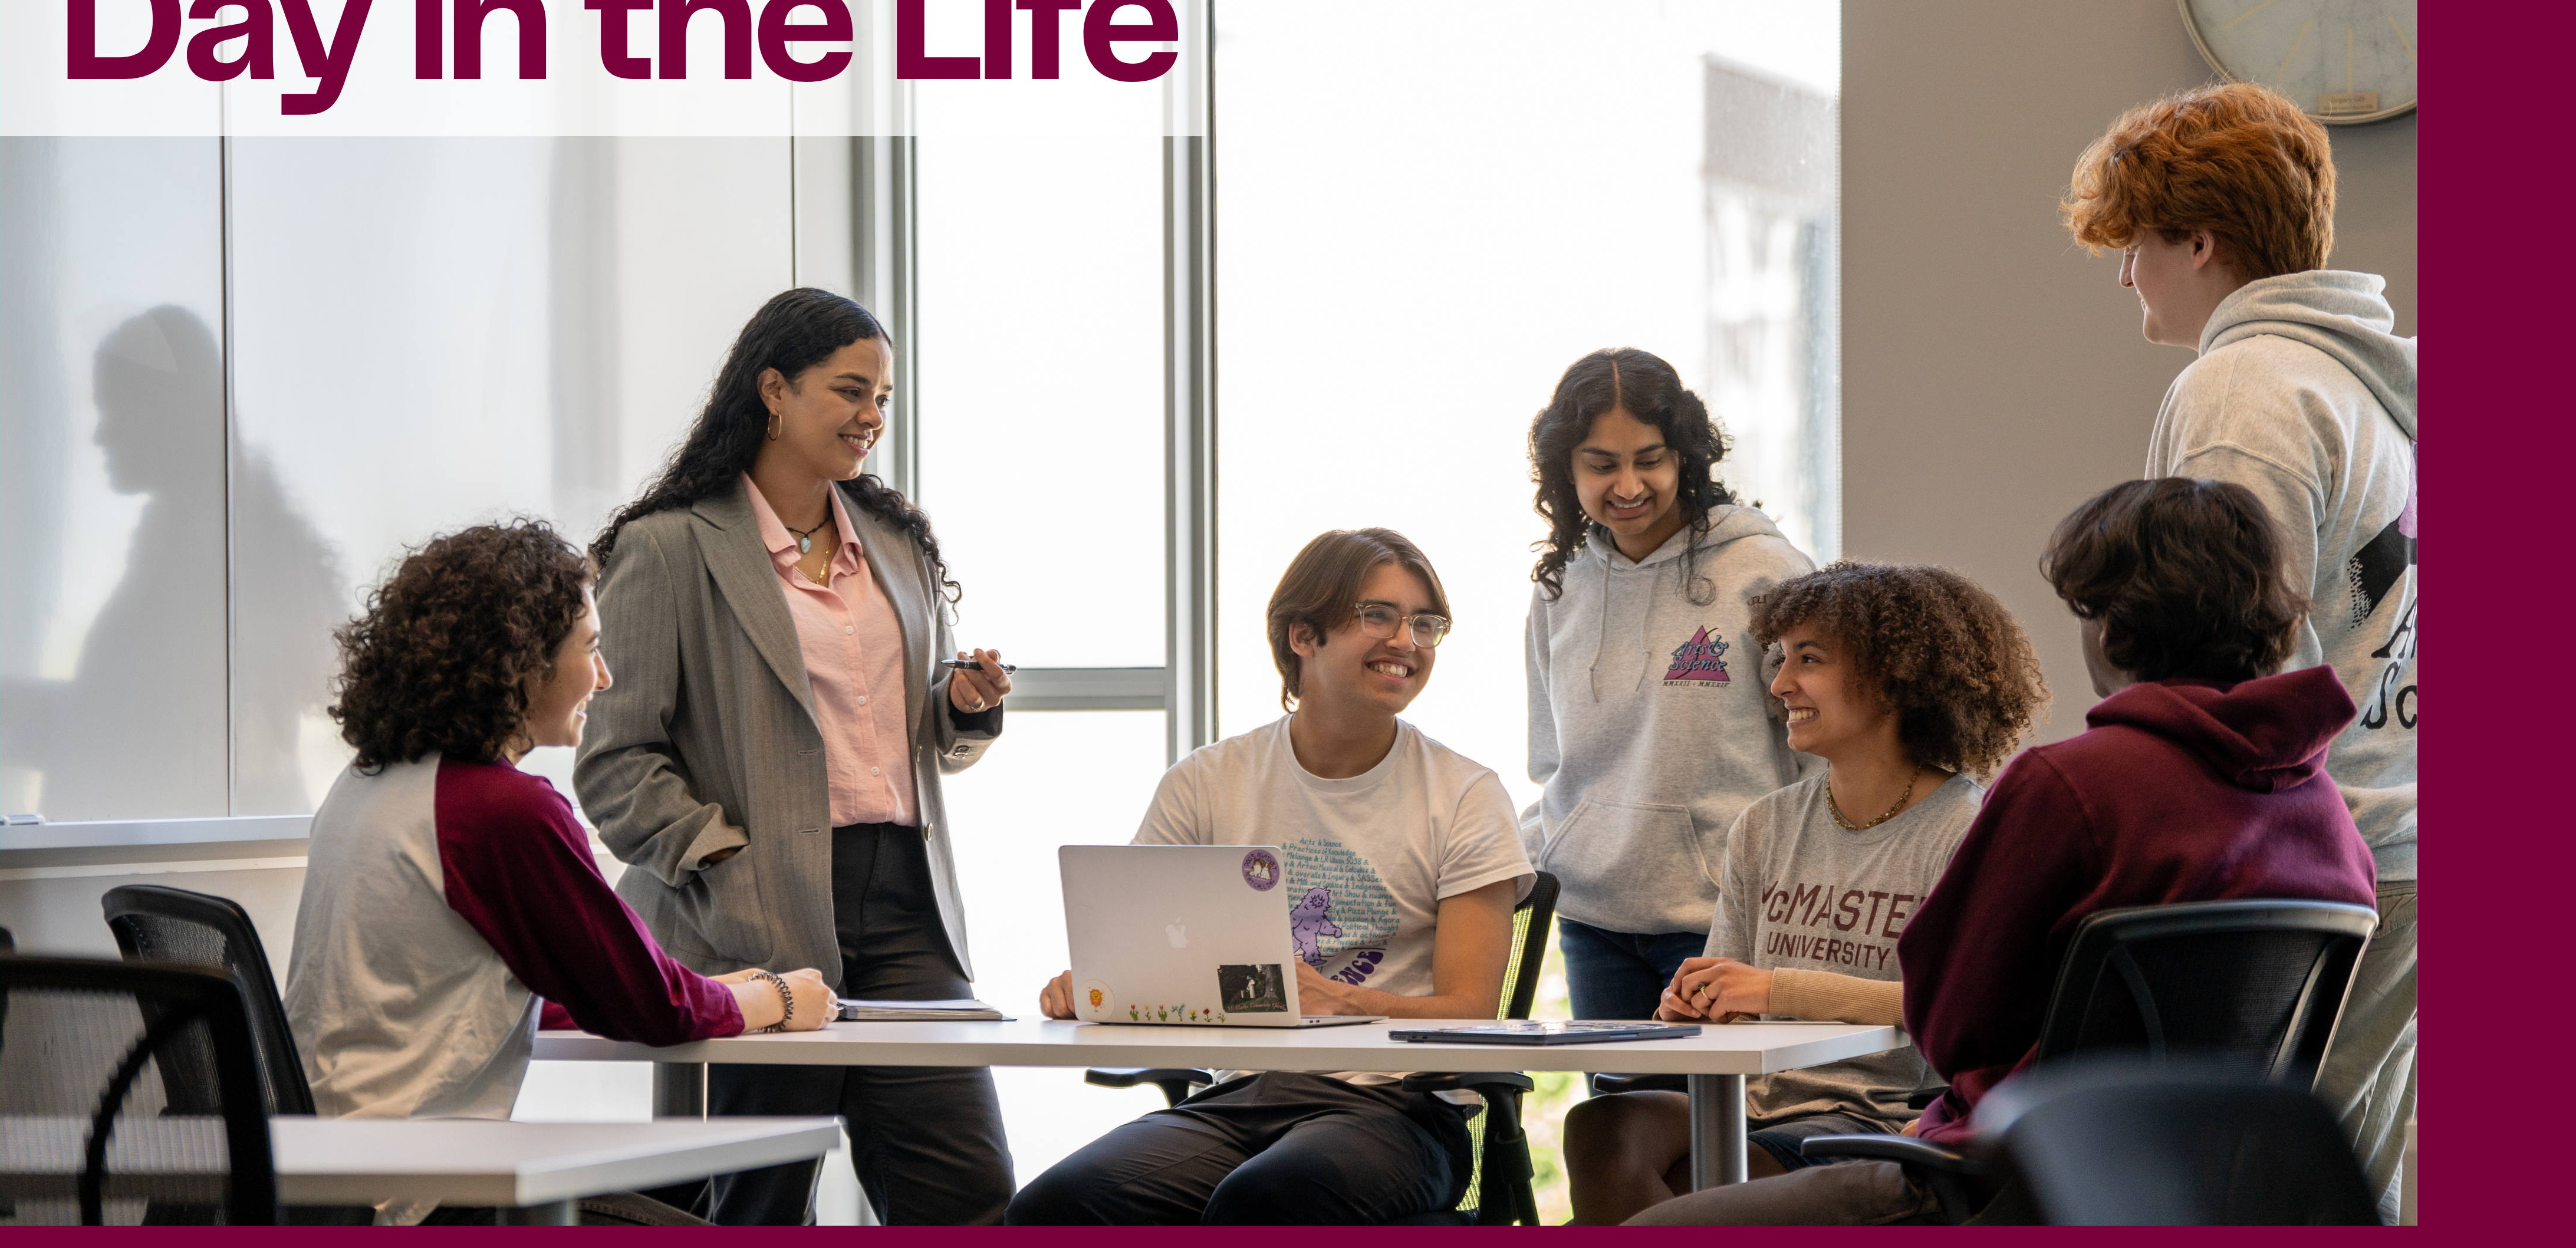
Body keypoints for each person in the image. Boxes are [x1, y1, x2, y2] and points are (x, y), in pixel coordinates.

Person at [1629, 478, 2375, 1226]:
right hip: (2196, 1189)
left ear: (2113, 625)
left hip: (2003, 1179)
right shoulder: (2327, 818)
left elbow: (1953, 1027)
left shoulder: (2074, 785)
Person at [571, 288, 1019, 1227]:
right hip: (745, 911)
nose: (873, 417)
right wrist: (720, 858)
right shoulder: (669, 549)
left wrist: (961, 707)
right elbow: (616, 759)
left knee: (966, 1188)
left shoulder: (895, 543)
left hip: (903, 906)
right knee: (756, 1205)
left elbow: (914, 733)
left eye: (885, 398)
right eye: (851, 390)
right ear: (773, 389)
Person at [2064, 81, 2417, 1218]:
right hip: (2395, 836)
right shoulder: (2371, 386)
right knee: (2352, 1184)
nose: (2128, 275)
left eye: (2138, 244)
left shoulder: (2241, 386)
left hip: (2314, 852)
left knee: (2245, 1199)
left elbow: (2218, 647)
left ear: (2202, 239)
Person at [281, 518, 835, 1227]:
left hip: (331, 1176)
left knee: (686, 1194)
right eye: (592, 648)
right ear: (524, 660)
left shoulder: (369, 786)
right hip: (423, 1196)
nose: (604, 677)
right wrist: (778, 998)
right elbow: (652, 1008)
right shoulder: (499, 810)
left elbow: (495, 991)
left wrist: (718, 990)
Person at [1010, 529, 1535, 1226]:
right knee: (1055, 1206)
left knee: (1265, 1199)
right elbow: (1150, 957)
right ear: (1303, 635)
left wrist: (1338, 1001)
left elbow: (1473, 1007)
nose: (1408, 640)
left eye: (1426, 623)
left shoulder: (1465, 792)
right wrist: (1105, 986)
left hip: (1399, 1108)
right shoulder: (1207, 781)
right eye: (1378, 615)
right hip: (1240, 1095)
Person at [1560, 562, 2046, 1225]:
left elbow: (1962, 1010)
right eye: (1781, 659)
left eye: (1808, 659)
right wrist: (1698, 1003)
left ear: (1894, 675)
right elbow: (1729, 1007)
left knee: (1700, 1188)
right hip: (1758, 1105)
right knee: (1603, 1126)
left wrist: (1771, 988)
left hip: (1883, 1119)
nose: (1780, 684)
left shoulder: (1966, 828)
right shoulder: (1766, 824)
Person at [1514, 348, 1825, 1020]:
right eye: (1602, 464)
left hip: (1723, 919)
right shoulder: (1559, 591)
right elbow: (1550, 760)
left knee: (1716, 1123)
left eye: (1648, 458)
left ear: (1684, 455)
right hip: (1593, 919)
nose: (1628, 484)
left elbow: (1819, 747)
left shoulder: (1764, 570)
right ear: (1567, 470)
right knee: (1618, 1121)